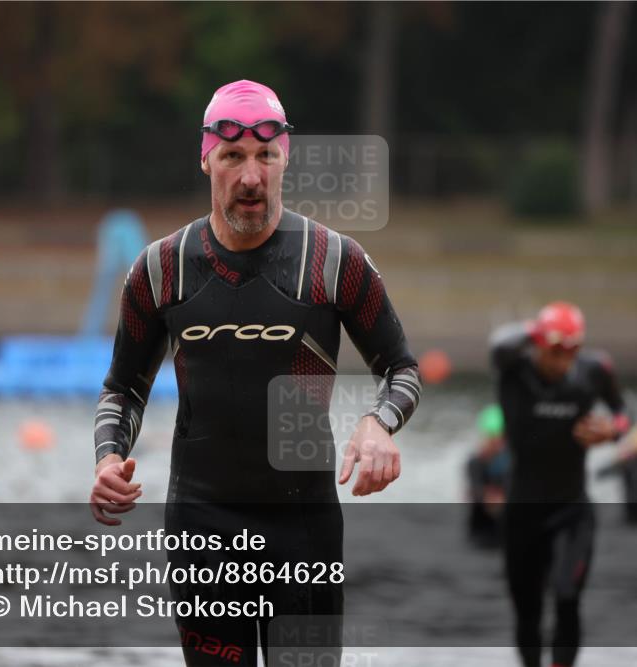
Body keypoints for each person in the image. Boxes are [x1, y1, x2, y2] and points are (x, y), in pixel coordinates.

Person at [89, 80, 421, 666]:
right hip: (202, 526)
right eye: (233, 157)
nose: (250, 177)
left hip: (303, 527)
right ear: (206, 160)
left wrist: (379, 424)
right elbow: (122, 388)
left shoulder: (334, 261)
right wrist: (108, 459)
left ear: (284, 159)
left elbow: (401, 369)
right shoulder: (161, 269)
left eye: (265, 156)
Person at [489, 302, 631, 667]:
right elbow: (498, 344)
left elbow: (625, 413)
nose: (563, 360)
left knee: (568, 595)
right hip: (523, 512)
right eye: (556, 350)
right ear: (536, 343)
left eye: (572, 350)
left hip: (572, 509)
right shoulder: (514, 369)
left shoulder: (594, 371)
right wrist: (538, 327)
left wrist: (613, 430)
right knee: (528, 610)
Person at [464, 404, 510, 546]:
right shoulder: (475, 462)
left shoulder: (512, 463)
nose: (497, 444)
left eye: (501, 439)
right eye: (492, 439)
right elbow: (474, 491)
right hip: (480, 530)